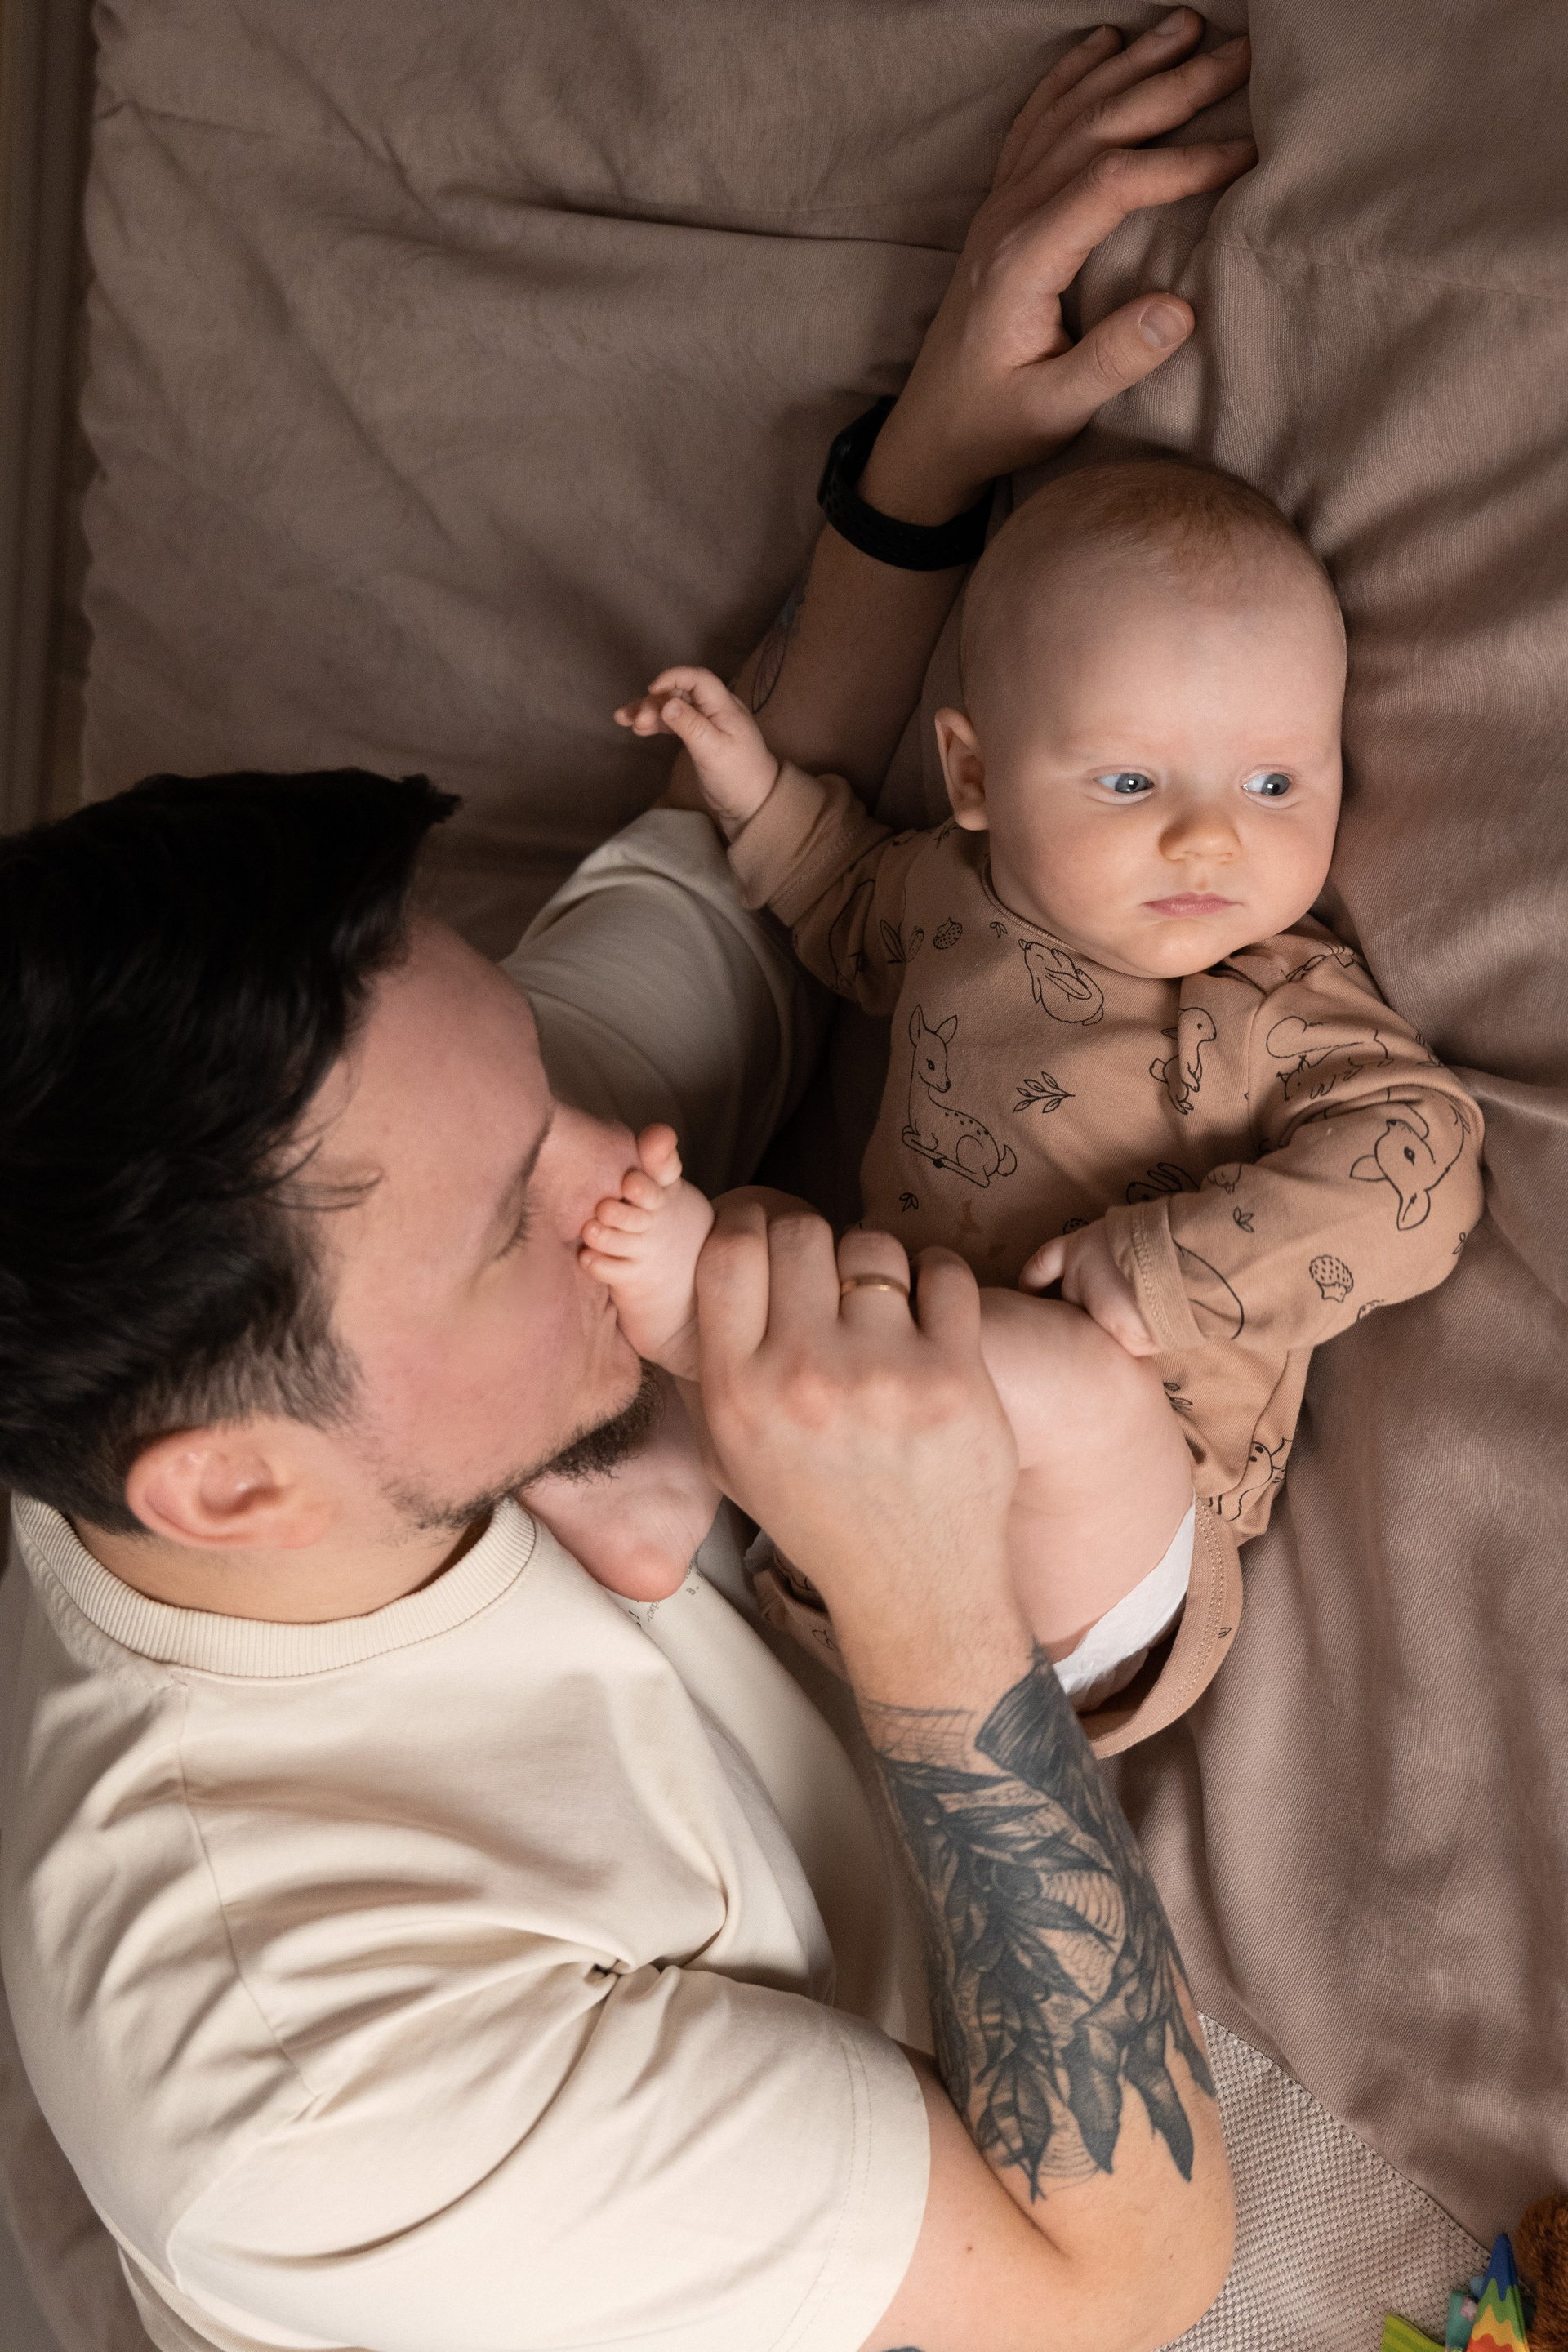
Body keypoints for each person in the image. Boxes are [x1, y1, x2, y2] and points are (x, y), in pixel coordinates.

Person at [0, 20, 1253, 2351]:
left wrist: (933, 459)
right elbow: (1131, 2278)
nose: (637, 1152)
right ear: (239, 1491)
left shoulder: (350, 1185)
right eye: (517, 1211)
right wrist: (925, 1600)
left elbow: (726, 874)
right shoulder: (327, 2095)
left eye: (525, 1052)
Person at [601, 457, 1483, 1700]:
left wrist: (1177, 1268)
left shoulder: (1277, 1001)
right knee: (759, 1229)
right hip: (850, 1490)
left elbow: (1422, 1171)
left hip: (1110, 1529)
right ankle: (680, 1428)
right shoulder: (943, 895)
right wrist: (748, 786)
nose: (1210, 838)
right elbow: (836, 891)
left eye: (1273, 784)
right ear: (972, 776)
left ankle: (703, 1358)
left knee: (1061, 1379)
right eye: (1130, 782)